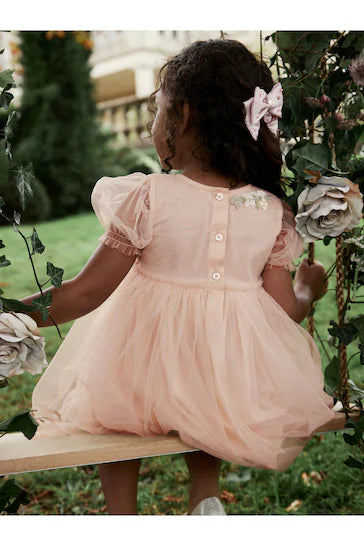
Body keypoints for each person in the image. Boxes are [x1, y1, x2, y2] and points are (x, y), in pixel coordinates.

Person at [23, 39, 336, 516]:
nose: (154, 123)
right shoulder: (271, 209)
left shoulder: (149, 197)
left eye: (157, 110)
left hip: (140, 364)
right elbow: (283, 312)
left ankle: (121, 513)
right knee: (214, 398)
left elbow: (85, 294)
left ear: (182, 117)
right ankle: (205, 498)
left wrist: (13, 315)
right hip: (225, 376)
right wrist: (307, 290)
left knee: (115, 409)